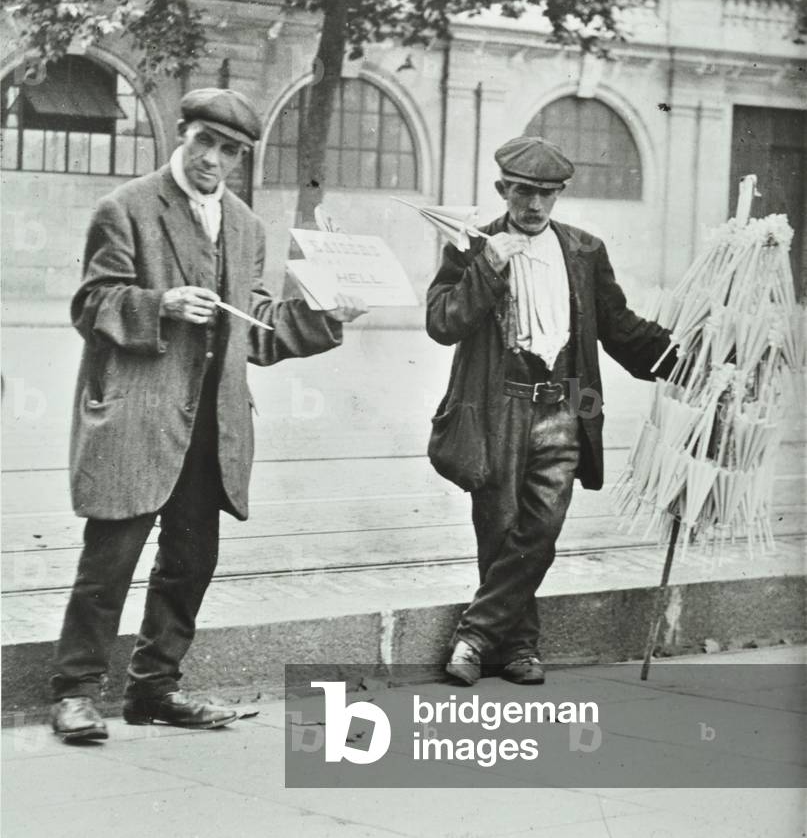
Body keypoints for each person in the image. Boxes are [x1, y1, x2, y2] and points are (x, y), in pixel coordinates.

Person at [51, 87, 366, 741]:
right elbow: (90, 305)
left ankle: (154, 687)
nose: (213, 160)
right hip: (138, 418)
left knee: (190, 562)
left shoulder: (246, 226)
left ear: (241, 158)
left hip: (212, 426)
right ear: (182, 133)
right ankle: (76, 692)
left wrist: (326, 317)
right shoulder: (125, 208)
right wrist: (159, 304)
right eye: (204, 142)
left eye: (230, 151)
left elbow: (256, 328)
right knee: (109, 562)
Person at [427, 136, 674, 686]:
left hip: (564, 407)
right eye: (522, 192)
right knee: (498, 530)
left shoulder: (585, 251)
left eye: (546, 194)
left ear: (560, 194)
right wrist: (487, 266)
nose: (533, 205)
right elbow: (443, 323)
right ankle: (518, 649)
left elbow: (620, 327)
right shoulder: (471, 246)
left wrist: (686, 361)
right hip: (496, 411)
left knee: (540, 530)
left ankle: (473, 636)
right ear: (502, 190)